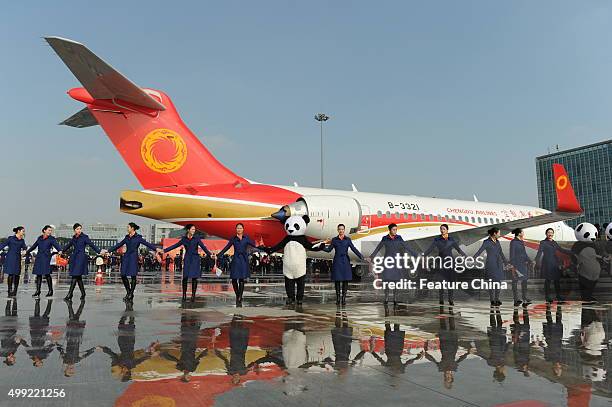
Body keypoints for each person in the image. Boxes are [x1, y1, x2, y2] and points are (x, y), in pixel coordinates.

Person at [108, 222, 162, 301]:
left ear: (132, 228)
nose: (127, 229)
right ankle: (129, 292)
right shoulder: (126, 237)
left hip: (133, 257)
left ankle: (130, 294)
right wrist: (108, 250)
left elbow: (147, 244)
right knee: (123, 275)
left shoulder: (138, 237)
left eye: (128, 227)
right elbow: (118, 245)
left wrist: (156, 249)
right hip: (126, 257)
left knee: (133, 276)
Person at [370, 223, 419, 306]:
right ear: (389, 230)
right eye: (393, 229)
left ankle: (395, 298)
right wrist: (371, 257)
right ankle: (386, 298)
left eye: (396, 229)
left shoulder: (399, 238)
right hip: (388, 262)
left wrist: (416, 254)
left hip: (396, 262)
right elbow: (378, 247)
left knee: (396, 281)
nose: (395, 231)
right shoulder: (385, 238)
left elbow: (407, 246)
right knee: (387, 281)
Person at [163, 224, 213, 302]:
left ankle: (193, 295)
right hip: (187, 259)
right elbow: (175, 246)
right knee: (185, 277)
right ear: (188, 230)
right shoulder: (184, 239)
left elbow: (204, 247)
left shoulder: (197, 239)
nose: (194, 231)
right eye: (192, 229)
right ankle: (184, 294)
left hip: (195, 259)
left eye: (194, 229)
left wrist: (210, 255)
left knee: (194, 278)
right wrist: (164, 251)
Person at [217, 223, 262, 307]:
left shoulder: (246, 238)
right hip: (236, 259)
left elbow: (254, 244)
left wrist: (263, 247)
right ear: (236, 229)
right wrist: (218, 254)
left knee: (241, 279)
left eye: (240, 228)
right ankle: (237, 294)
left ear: (243, 229)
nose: (239, 229)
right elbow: (227, 247)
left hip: (244, 260)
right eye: (238, 228)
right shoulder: (233, 239)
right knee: (234, 279)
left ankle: (240, 297)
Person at [320, 224, 364, 306]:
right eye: (339, 229)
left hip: (345, 261)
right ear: (338, 230)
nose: (341, 231)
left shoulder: (347, 240)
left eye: (342, 229)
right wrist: (322, 245)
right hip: (337, 261)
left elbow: (354, 249)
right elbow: (329, 250)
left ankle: (343, 299)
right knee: (337, 280)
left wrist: (362, 257)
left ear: (344, 230)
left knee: (345, 280)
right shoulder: (334, 240)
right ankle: (338, 299)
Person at [422, 224, 466, 305]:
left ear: (447, 230)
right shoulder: (437, 240)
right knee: (441, 282)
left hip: (450, 262)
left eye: (443, 229)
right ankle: (441, 299)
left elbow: (458, 249)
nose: (442, 230)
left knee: (450, 282)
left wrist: (465, 256)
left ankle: (450, 299)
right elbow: (430, 249)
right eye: (441, 229)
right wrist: (423, 255)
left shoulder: (451, 240)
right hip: (441, 262)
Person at [61, 223, 102, 301]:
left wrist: (99, 251)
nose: (79, 230)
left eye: (80, 228)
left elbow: (91, 245)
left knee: (74, 275)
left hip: (81, 258)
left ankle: (70, 294)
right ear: (74, 230)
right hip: (74, 258)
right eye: (77, 229)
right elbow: (68, 246)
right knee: (78, 277)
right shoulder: (73, 238)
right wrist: (61, 250)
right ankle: (83, 293)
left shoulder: (85, 237)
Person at [534, 228, 574, 303]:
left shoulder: (554, 242)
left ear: (553, 234)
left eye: (551, 232)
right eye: (549, 232)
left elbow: (561, 250)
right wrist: (536, 260)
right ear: (546, 234)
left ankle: (558, 296)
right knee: (548, 280)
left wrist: (572, 252)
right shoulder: (543, 242)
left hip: (554, 263)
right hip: (547, 263)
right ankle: (547, 297)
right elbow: (539, 252)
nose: (550, 234)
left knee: (557, 280)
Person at [474, 227, 509, 306]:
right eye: (499, 233)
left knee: (498, 282)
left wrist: (506, 263)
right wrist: (473, 258)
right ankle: (492, 300)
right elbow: (480, 250)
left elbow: (501, 253)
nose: (500, 235)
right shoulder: (486, 242)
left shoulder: (498, 242)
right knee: (492, 283)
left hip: (498, 264)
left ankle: (497, 299)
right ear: (494, 233)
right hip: (491, 264)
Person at [26, 225, 63, 298]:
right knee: (38, 274)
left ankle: (50, 290)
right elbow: (34, 246)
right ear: (44, 230)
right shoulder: (39, 238)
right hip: (39, 257)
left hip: (46, 257)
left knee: (47, 274)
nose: (50, 232)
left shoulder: (51, 239)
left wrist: (60, 250)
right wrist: (27, 252)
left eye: (51, 230)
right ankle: (38, 291)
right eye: (49, 230)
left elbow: (56, 245)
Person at [27, 299, 57, 367]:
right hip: (42, 334)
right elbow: (49, 349)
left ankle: (37, 301)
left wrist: (20, 341)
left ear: (35, 363)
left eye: (39, 364)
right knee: (45, 315)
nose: (41, 363)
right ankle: (50, 302)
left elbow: (26, 346)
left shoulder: (31, 354)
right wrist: (53, 343)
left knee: (36, 315)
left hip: (34, 333)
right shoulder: (43, 356)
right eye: (41, 364)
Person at [0, 227, 28, 298]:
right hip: (10, 258)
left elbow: (24, 247)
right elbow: (2, 245)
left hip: (18, 258)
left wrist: (25, 250)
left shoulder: (22, 240)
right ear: (18, 231)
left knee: (17, 275)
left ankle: (15, 290)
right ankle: (9, 290)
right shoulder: (11, 238)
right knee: (11, 274)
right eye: (23, 231)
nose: (23, 233)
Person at [509, 228, 533, 307]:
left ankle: (524, 297)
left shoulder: (521, 242)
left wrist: (529, 260)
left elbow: (524, 253)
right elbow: (512, 254)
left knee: (524, 280)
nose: (523, 233)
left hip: (522, 264)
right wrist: (512, 264)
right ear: (519, 233)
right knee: (515, 281)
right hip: (516, 264)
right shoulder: (513, 242)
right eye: (522, 232)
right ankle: (516, 299)